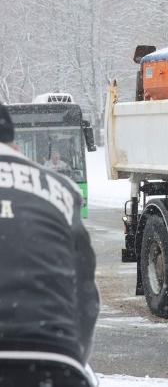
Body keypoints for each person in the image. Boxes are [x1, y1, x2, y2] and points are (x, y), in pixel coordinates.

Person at [0, 102, 99, 380]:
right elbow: (86, 297)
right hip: (54, 362)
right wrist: (72, 355)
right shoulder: (63, 191)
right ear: (15, 146)